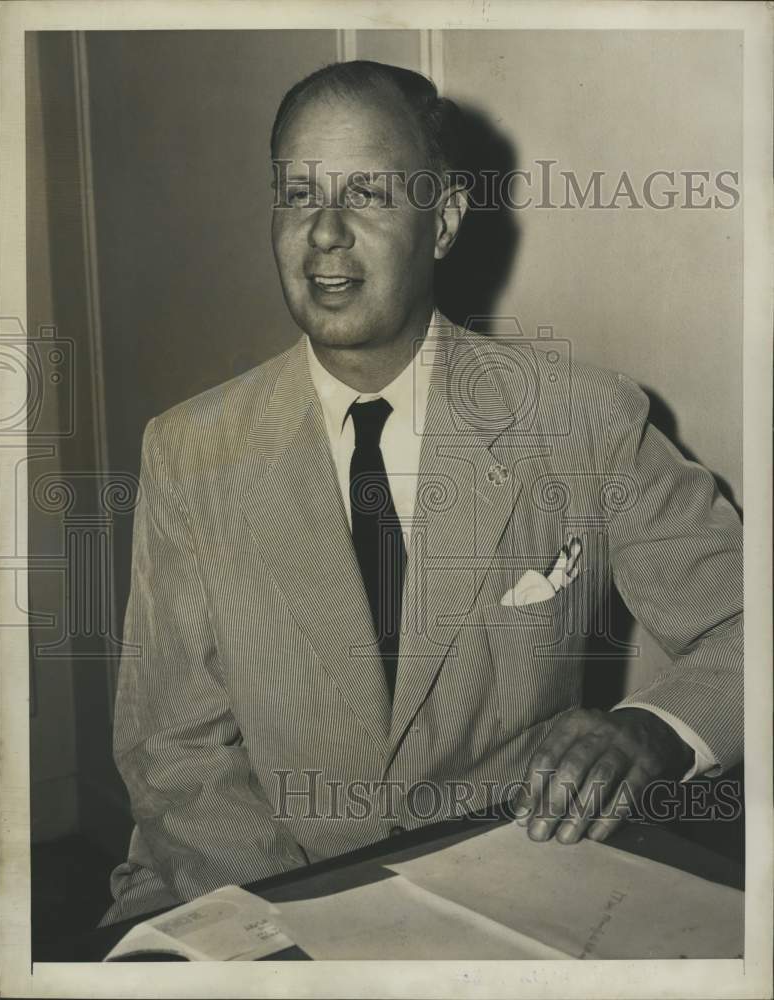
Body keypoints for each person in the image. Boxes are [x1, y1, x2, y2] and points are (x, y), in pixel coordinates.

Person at [100, 61, 743, 925]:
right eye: (298, 194)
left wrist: (657, 729)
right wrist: (308, 928)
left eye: (367, 193)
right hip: (247, 891)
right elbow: (174, 755)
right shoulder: (188, 450)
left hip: (511, 891)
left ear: (441, 223)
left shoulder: (583, 421)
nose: (325, 233)